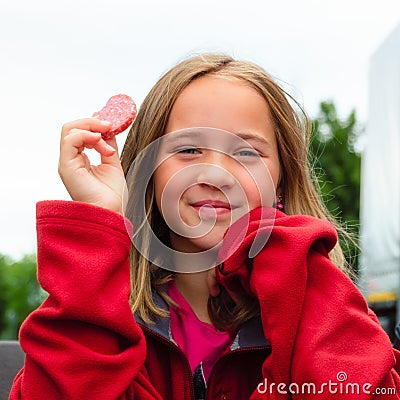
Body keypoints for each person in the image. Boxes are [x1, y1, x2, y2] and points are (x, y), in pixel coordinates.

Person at [10, 53, 400, 400]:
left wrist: (294, 258)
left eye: (246, 152)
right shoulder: (99, 312)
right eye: (189, 149)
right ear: (147, 171)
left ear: (281, 178)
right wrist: (100, 222)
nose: (215, 174)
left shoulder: (329, 306)